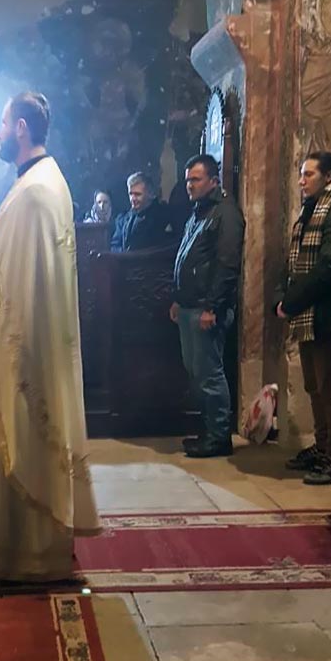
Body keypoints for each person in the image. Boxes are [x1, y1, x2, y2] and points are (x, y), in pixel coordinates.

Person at [0, 91, 99, 582]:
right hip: (36, 341)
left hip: (24, 349)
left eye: (2, 123)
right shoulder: (43, 181)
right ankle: (26, 545)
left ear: (20, 127)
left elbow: (7, 274)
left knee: (21, 437)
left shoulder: (35, 191)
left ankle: (24, 553)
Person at [170, 154, 244, 458]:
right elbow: (188, 256)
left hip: (206, 307)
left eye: (196, 179)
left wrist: (212, 306)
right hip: (190, 305)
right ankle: (208, 431)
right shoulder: (199, 211)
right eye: (188, 180)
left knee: (210, 374)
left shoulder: (226, 213)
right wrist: (179, 299)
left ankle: (219, 437)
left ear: (213, 180)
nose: (190, 185)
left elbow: (227, 263)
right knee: (196, 372)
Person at [276, 151, 331, 485]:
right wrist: (286, 296)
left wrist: (293, 302)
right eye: (301, 174)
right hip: (310, 314)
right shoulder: (312, 209)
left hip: (330, 314)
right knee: (314, 387)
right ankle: (322, 446)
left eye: (309, 174)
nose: (301, 181)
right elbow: (297, 261)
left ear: (329, 176)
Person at [111, 172, 172, 252]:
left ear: (150, 194)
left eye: (137, 194)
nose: (132, 199)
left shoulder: (161, 216)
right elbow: (114, 245)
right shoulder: (123, 219)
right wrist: (124, 254)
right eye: (130, 194)